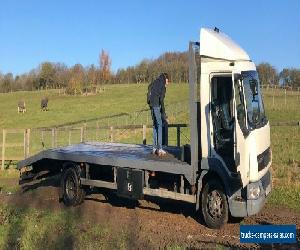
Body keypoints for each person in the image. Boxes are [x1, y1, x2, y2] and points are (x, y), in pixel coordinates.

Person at [147, 73, 169, 156]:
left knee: (155, 125)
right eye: (168, 80)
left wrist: (149, 101)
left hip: (151, 105)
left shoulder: (155, 82)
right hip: (156, 106)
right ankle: (160, 149)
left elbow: (149, 87)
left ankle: (154, 148)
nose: (168, 83)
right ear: (165, 79)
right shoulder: (162, 85)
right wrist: (164, 114)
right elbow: (162, 101)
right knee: (159, 125)